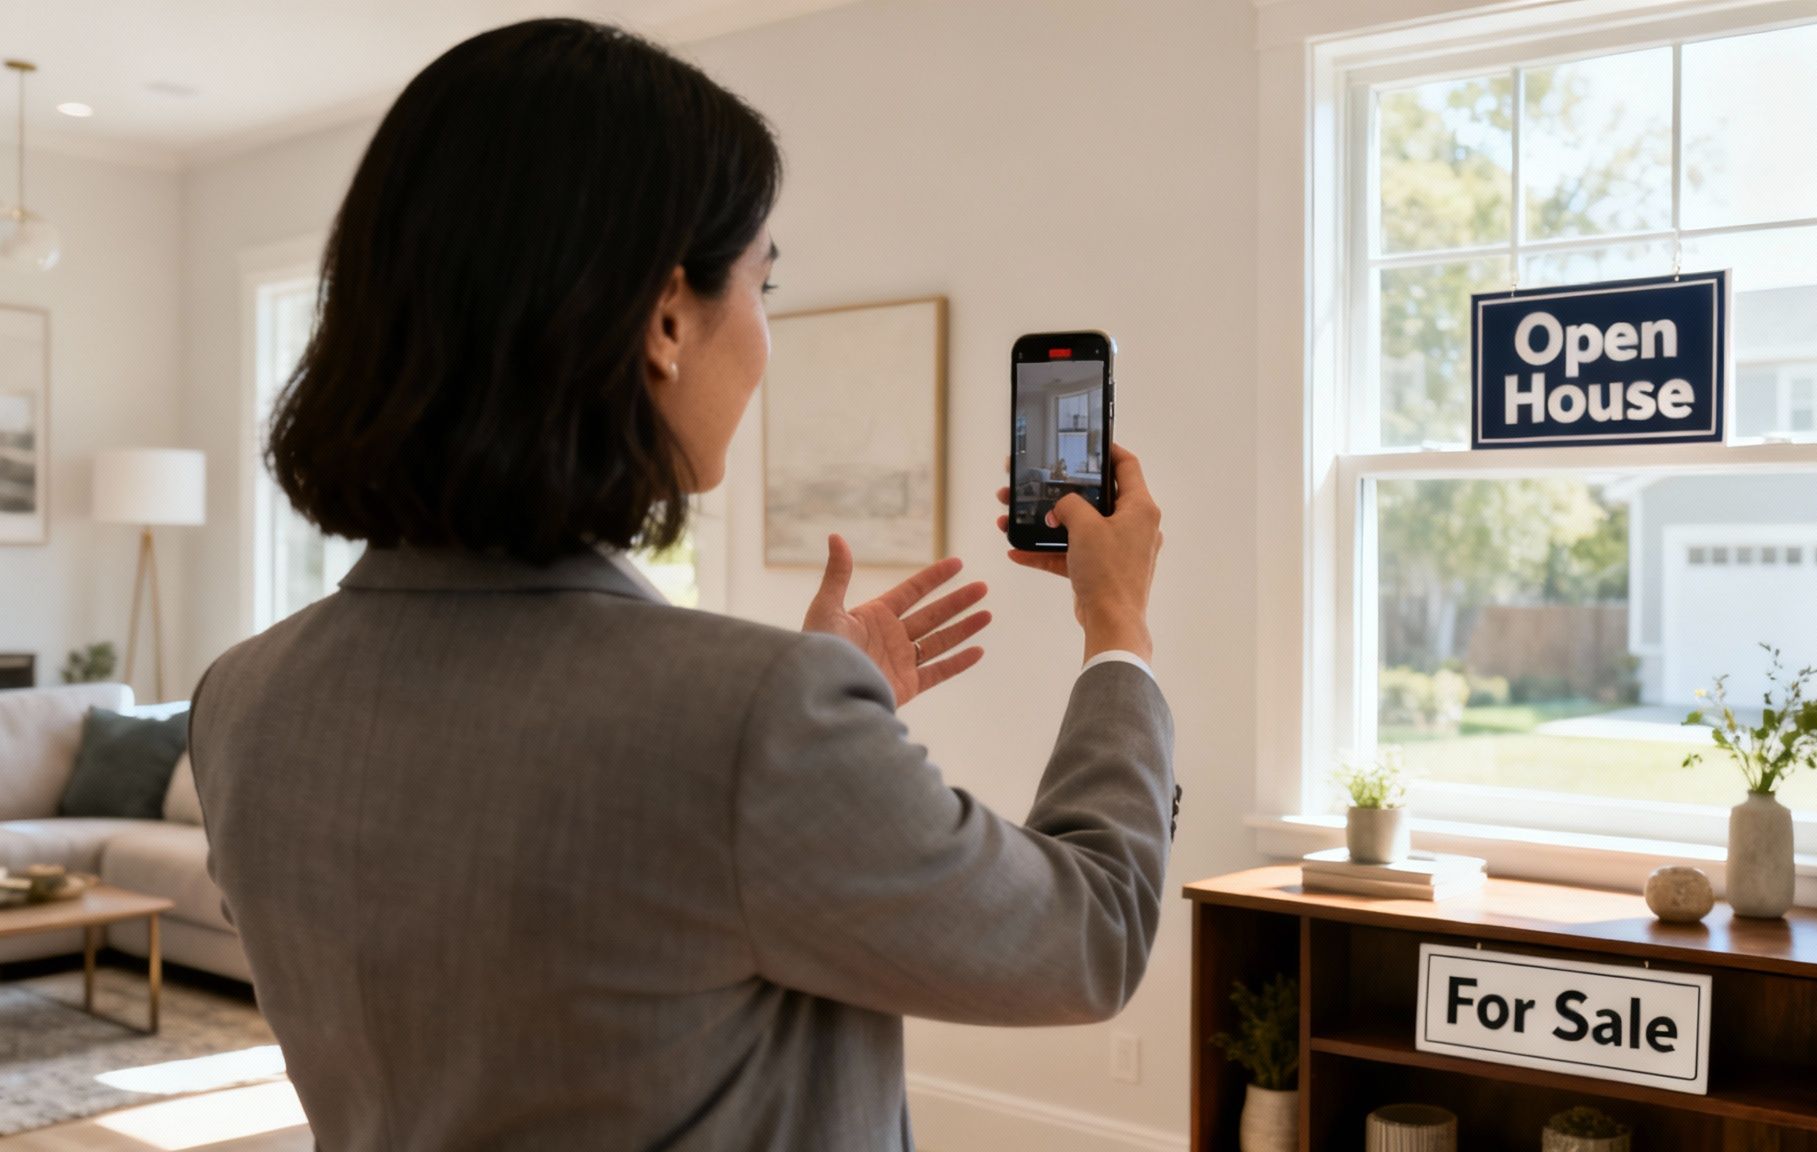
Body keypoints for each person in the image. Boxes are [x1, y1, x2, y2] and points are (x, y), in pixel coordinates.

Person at [187, 18, 1173, 1152]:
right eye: (762, 280)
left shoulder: (242, 700)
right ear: (665, 317)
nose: (762, 334)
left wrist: (811, 729)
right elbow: (1089, 935)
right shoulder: (751, 725)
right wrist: (1117, 624)